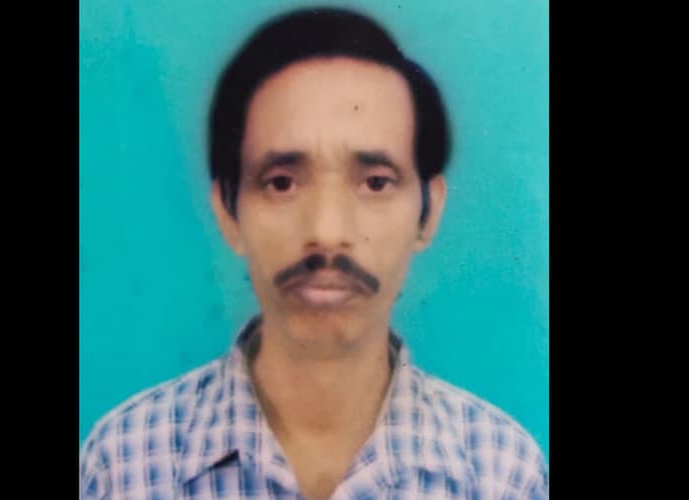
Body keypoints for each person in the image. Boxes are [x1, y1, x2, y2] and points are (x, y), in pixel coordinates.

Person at [80, 7, 549, 499]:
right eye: (281, 183)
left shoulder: (501, 473)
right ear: (227, 211)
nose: (326, 232)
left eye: (375, 183)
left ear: (428, 213)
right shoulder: (123, 465)